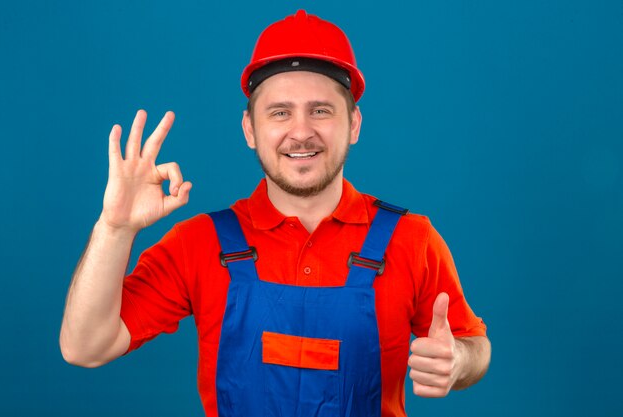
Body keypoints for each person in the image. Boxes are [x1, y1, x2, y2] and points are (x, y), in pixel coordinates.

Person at [60, 9, 491, 417]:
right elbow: (85, 347)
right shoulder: (200, 243)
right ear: (250, 129)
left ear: (354, 124)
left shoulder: (410, 239)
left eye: (321, 110)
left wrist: (458, 361)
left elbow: (474, 344)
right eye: (280, 112)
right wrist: (114, 227)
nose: (300, 131)